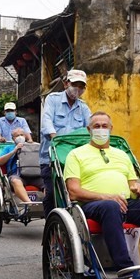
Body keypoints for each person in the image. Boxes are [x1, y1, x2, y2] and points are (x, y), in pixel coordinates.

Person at [64, 111, 140, 273]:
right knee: (111, 206)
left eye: (104, 126)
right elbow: (73, 191)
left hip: (125, 203)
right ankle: (126, 269)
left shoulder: (122, 155)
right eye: (96, 126)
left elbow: (132, 187)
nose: (101, 129)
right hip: (92, 206)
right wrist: (105, 197)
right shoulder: (75, 154)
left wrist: (137, 191)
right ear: (89, 130)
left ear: (111, 128)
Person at [40, 69, 92, 217]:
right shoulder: (53, 99)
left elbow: (91, 126)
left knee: (77, 192)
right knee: (51, 194)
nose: (78, 89)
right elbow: (47, 120)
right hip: (51, 158)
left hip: (75, 159)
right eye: (75, 84)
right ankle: (50, 227)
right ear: (65, 84)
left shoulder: (83, 107)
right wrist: (54, 136)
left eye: (81, 86)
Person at [0, 128, 43, 216]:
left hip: (35, 175)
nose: (20, 137)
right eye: (17, 136)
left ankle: (46, 204)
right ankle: (30, 204)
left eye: (22, 135)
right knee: (15, 181)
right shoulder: (8, 148)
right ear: (13, 138)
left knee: (48, 183)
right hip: (16, 175)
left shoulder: (33, 146)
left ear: (25, 136)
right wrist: (14, 150)